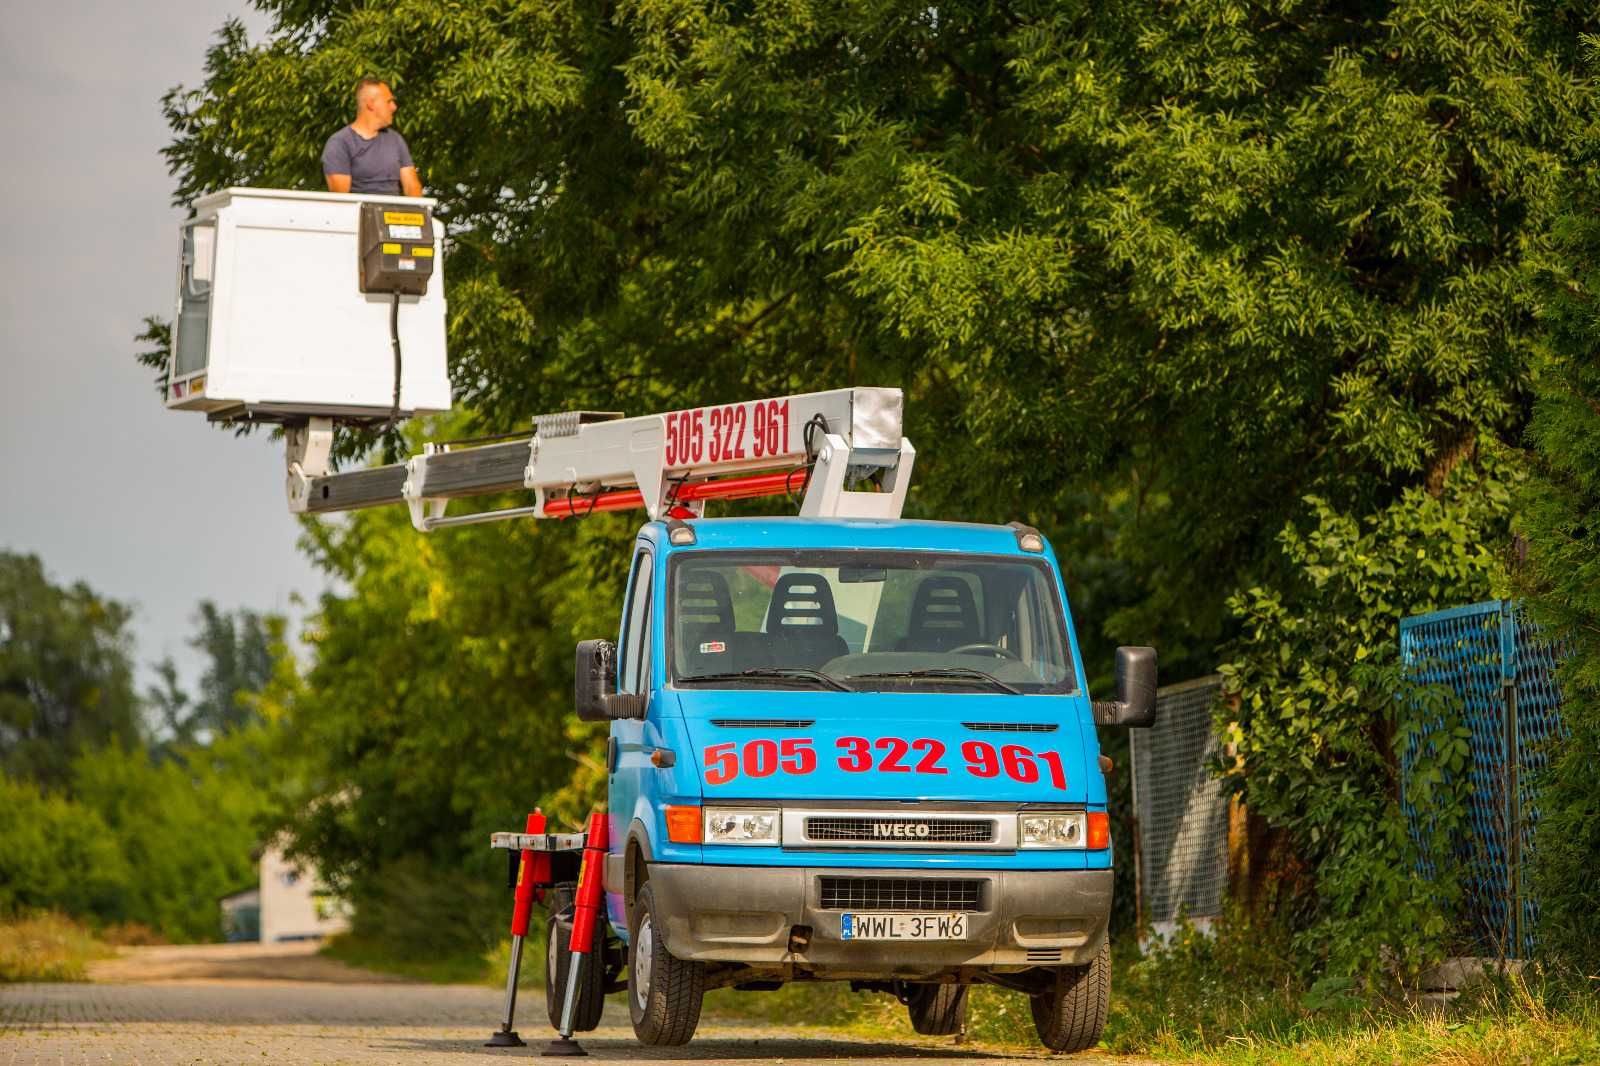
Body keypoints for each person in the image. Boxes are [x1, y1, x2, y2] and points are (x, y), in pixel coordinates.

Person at [322, 77, 422, 196]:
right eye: (389, 101)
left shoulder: (395, 139)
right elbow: (341, 199)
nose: (394, 107)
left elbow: (412, 186)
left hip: (393, 213)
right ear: (370, 104)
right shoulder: (340, 143)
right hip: (360, 213)